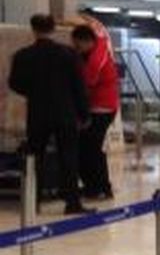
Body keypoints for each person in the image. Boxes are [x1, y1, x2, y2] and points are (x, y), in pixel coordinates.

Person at [7, 14, 92, 214]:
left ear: (33, 30)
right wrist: (84, 113)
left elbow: (14, 83)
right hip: (65, 113)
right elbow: (78, 86)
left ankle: (32, 202)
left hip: (38, 113)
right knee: (69, 158)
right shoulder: (69, 54)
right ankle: (72, 203)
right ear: (53, 29)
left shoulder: (23, 55)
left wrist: (34, 92)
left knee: (34, 158)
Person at [71, 21, 119, 201]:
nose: (76, 48)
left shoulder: (96, 57)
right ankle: (96, 187)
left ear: (86, 41)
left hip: (102, 108)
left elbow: (87, 82)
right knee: (89, 148)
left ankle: (100, 188)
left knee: (90, 148)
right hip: (99, 106)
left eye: (77, 45)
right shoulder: (97, 48)